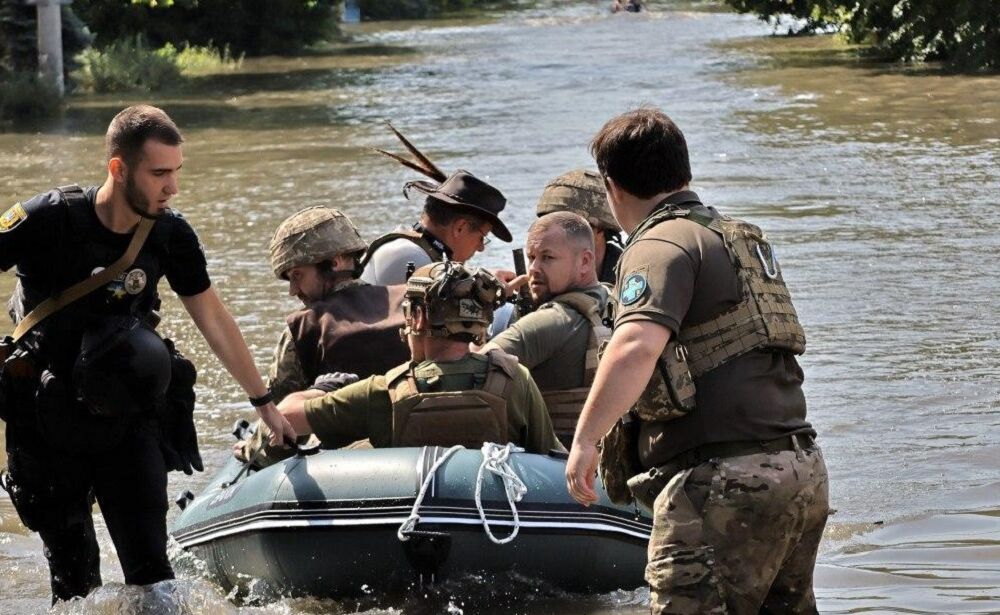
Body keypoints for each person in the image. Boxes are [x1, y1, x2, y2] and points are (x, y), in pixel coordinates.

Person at [0, 105, 296, 604]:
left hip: (129, 416)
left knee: (153, 582)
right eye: (160, 173)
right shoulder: (45, 218)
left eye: (177, 172)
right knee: (74, 588)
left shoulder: (169, 234)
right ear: (118, 168)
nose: (172, 187)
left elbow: (214, 319)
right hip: (48, 421)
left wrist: (263, 402)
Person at [565, 107, 828, 614]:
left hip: (725, 481)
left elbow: (635, 346)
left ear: (611, 186)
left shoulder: (658, 244)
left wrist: (585, 440)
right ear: (683, 171)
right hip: (800, 469)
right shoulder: (735, 238)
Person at [239, 262, 562, 465]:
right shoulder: (514, 379)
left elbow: (284, 421)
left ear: (418, 317)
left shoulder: (386, 391)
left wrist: (318, 391)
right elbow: (554, 460)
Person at [481, 212, 611, 448]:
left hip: (553, 467)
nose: (533, 269)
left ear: (585, 261)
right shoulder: (616, 301)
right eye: (531, 257)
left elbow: (474, 371)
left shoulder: (551, 322)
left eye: (547, 257)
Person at [266, 206, 409, 402]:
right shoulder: (412, 303)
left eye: (297, 275)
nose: (293, 290)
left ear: (335, 263)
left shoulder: (303, 328)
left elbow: (278, 413)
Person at [359, 170, 512, 285]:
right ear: (460, 228)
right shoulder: (413, 258)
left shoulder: (410, 248)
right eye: (481, 238)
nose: (480, 248)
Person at [535, 169, 623, 285]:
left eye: (569, 226)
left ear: (600, 230)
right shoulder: (539, 273)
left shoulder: (630, 277)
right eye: (547, 225)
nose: (555, 234)